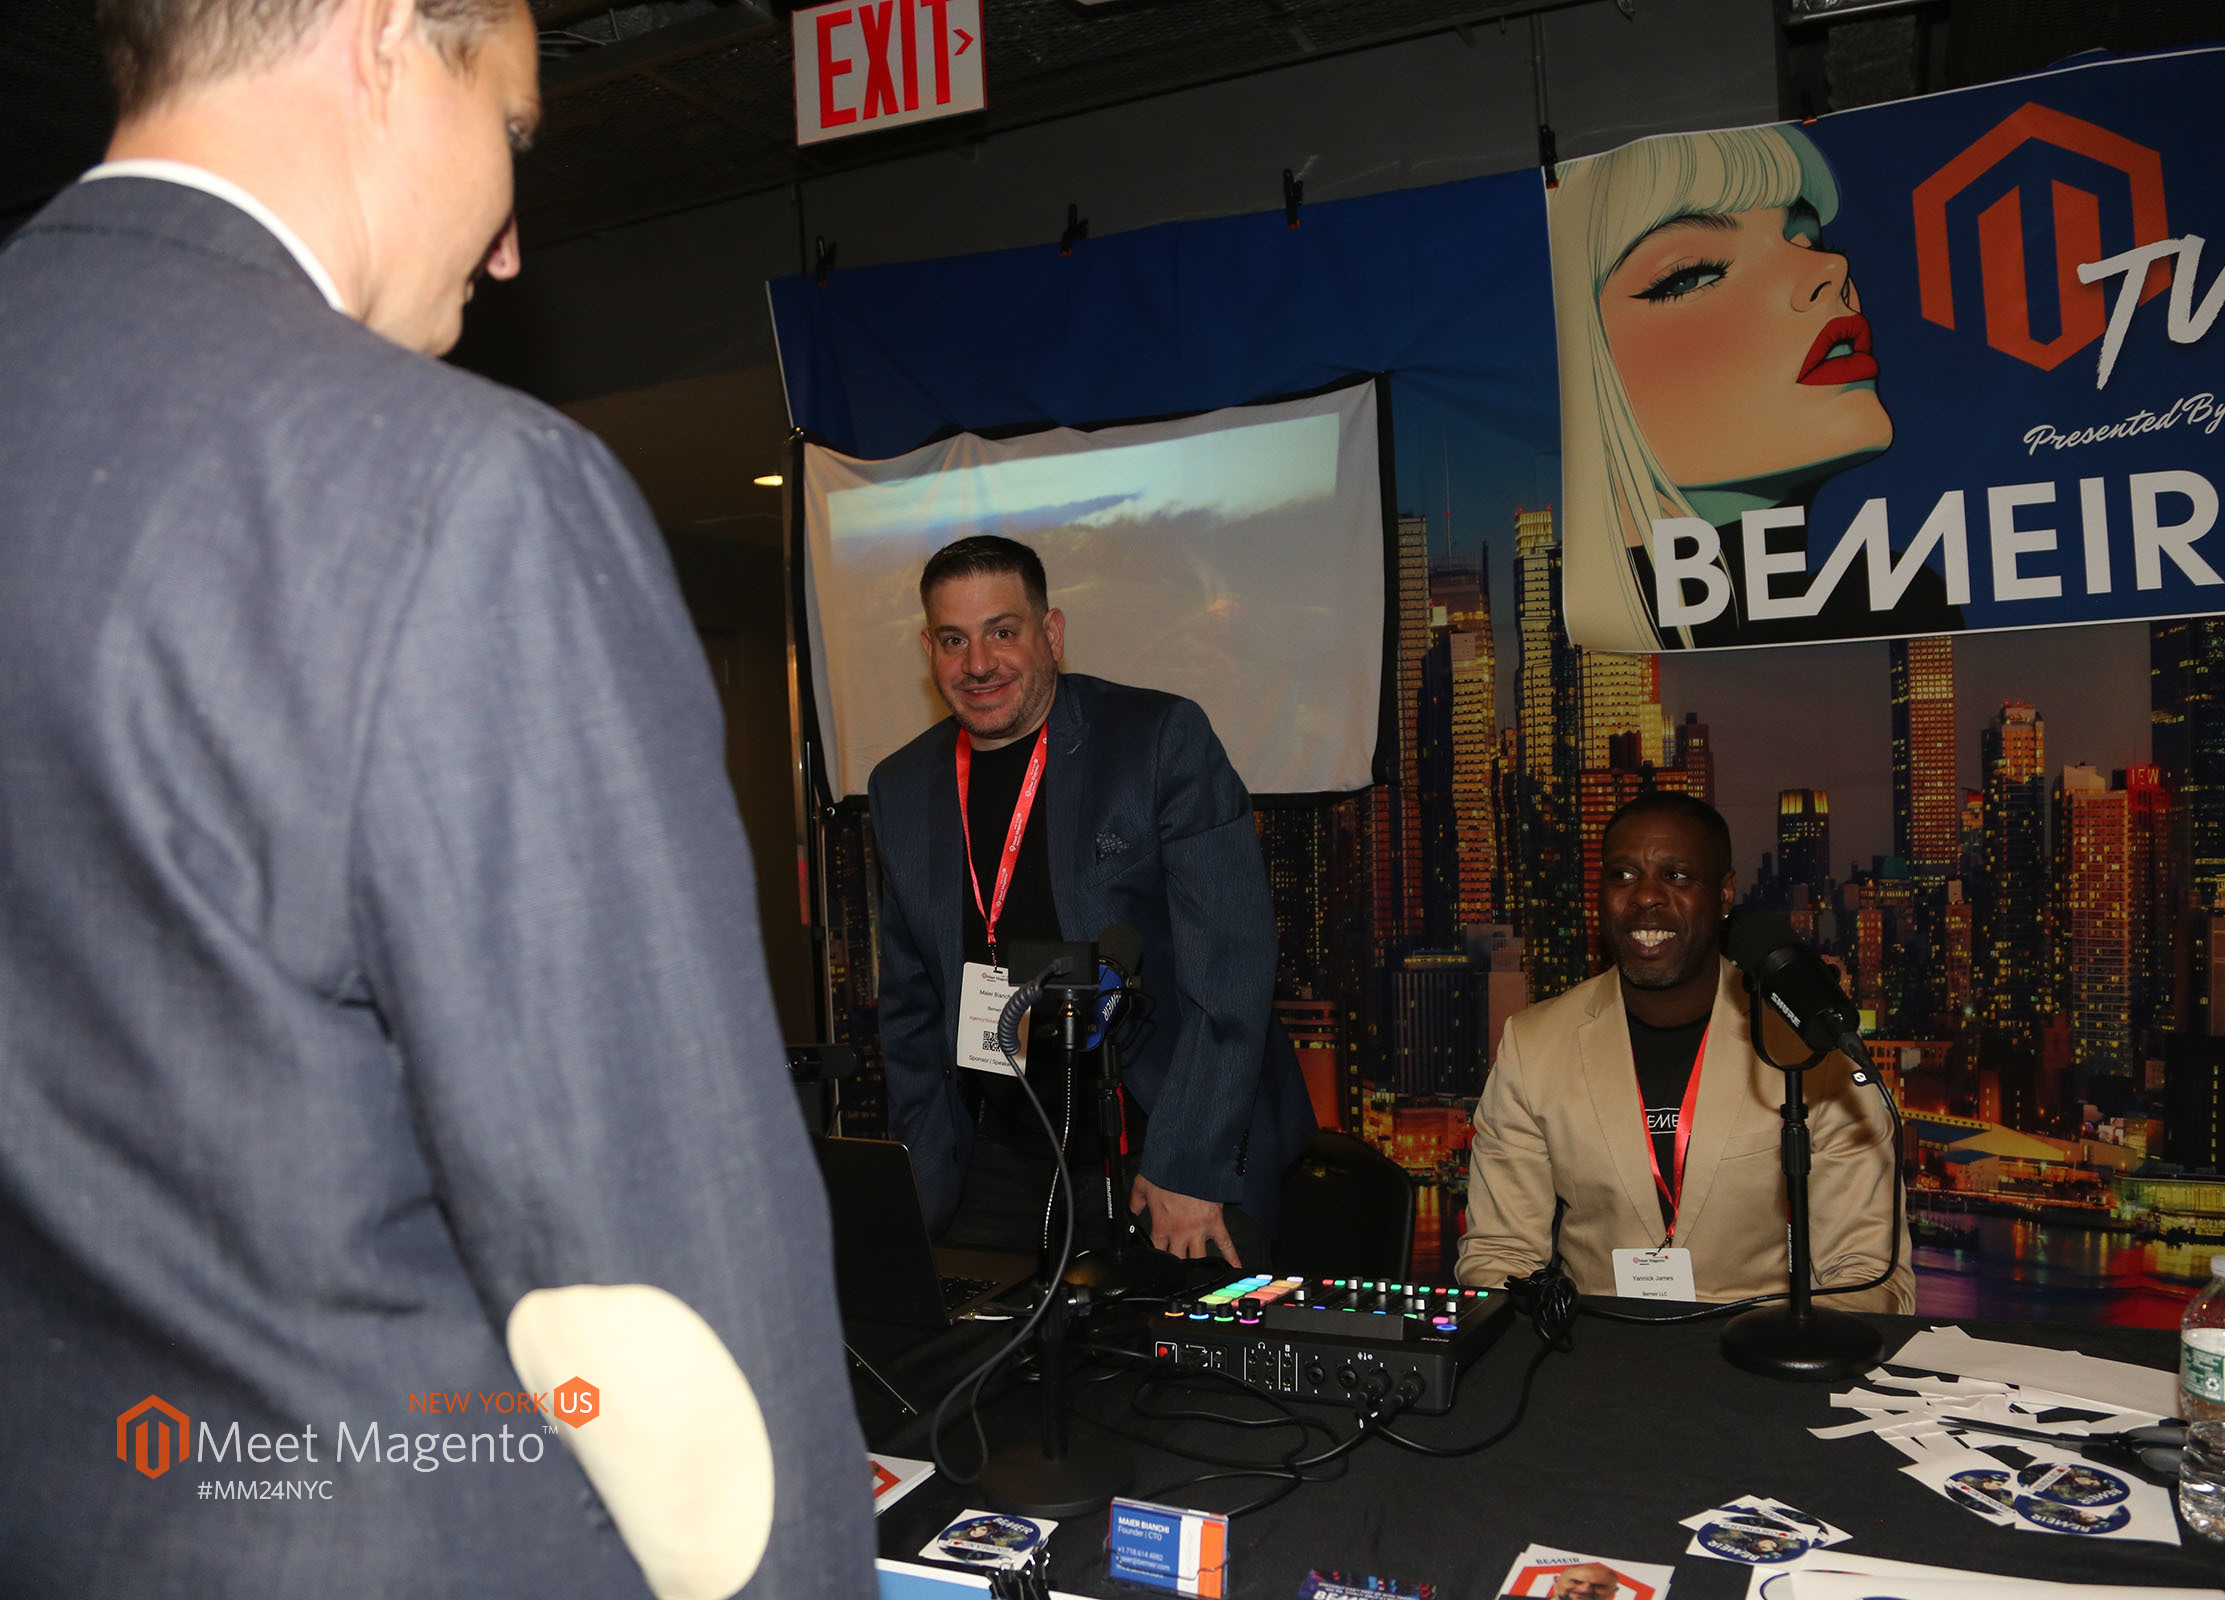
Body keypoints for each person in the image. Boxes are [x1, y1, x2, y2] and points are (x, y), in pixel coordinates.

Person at [0, 1, 872, 1594]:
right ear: (386, 38)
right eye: (514, 127)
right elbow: (677, 1339)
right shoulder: (460, 495)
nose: (515, 242)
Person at [869, 535, 1315, 1268]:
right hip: (995, 1152)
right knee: (957, 1339)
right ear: (929, 649)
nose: (978, 663)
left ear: (1051, 633)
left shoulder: (1157, 740)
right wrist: (920, 1184)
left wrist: (1187, 1165)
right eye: (954, 639)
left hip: (1161, 1139)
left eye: (1002, 632)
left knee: (1176, 1344)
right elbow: (909, 1009)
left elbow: (1230, 967)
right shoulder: (902, 787)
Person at [1456, 793, 1911, 1310]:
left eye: (1675, 876)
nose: (1646, 896)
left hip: (1761, 1345)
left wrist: (1778, 1347)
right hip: (1594, 1345)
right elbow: (1500, 1255)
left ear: (1724, 895)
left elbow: (1869, 1276)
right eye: (1623, 875)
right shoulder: (1533, 1045)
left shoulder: (1808, 1047)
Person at [1550, 124, 1960, 650]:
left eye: (1809, 241)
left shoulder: (1896, 603)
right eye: (1693, 275)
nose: (1831, 268)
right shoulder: (1597, 655)